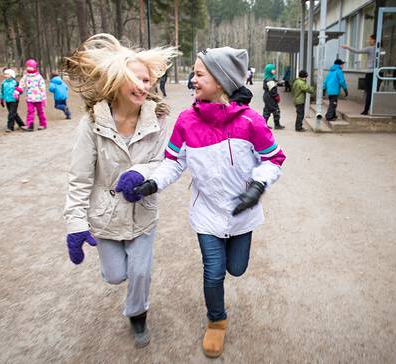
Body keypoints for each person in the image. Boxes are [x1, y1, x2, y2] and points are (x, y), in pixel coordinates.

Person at [116, 47, 286, 358]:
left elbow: (273, 159)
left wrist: (258, 186)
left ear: (221, 81)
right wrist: (153, 183)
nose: (192, 80)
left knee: (236, 268)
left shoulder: (251, 121)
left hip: (242, 214)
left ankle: (224, 295)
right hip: (206, 213)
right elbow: (173, 162)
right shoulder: (186, 121)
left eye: (198, 74)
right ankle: (216, 321)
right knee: (213, 271)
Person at [63, 33, 177, 348]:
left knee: (140, 272)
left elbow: (163, 162)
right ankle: (119, 277)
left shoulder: (158, 120)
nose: (143, 86)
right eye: (136, 80)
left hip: (142, 213)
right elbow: (80, 178)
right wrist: (75, 224)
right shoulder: (91, 124)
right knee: (115, 275)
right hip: (104, 216)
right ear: (116, 81)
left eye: (147, 80)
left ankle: (137, 313)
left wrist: (139, 173)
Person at [341, 34, 376, 115]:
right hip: (379, 73)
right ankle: (373, 109)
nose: (368, 41)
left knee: (369, 92)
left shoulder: (370, 49)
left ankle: (366, 110)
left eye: (370, 39)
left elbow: (357, 51)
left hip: (370, 73)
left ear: (374, 40)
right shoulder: (381, 49)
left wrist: (347, 47)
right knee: (374, 92)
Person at [15, 59, 47, 131]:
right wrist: (17, 92)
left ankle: (43, 124)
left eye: (30, 66)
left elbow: (42, 87)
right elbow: (21, 84)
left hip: (38, 98)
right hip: (29, 98)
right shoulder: (26, 76)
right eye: (28, 66)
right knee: (30, 111)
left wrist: (44, 98)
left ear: (34, 67)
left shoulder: (39, 77)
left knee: (40, 112)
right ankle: (30, 125)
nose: (29, 68)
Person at [262, 63, 285, 129]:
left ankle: (263, 125)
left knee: (267, 110)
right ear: (269, 70)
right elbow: (272, 90)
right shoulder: (269, 79)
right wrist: (276, 96)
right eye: (273, 69)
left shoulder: (268, 78)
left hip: (267, 96)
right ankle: (277, 125)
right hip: (270, 97)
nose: (274, 70)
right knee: (276, 110)